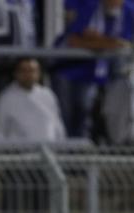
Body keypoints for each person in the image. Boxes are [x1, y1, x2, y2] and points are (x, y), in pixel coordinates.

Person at [0, 58, 65, 213]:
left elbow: (57, 127)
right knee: (13, 210)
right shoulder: (6, 99)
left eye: (34, 70)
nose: (30, 75)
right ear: (16, 74)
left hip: (45, 160)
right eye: (25, 71)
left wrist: (59, 153)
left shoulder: (47, 96)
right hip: (18, 162)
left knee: (40, 212)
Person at [53, 0, 134, 137]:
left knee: (95, 112)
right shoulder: (90, 6)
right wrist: (111, 43)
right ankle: (69, 152)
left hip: (101, 71)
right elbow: (74, 41)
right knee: (69, 116)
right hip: (69, 69)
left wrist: (97, 41)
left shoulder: (129, 10)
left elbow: (127, 45)